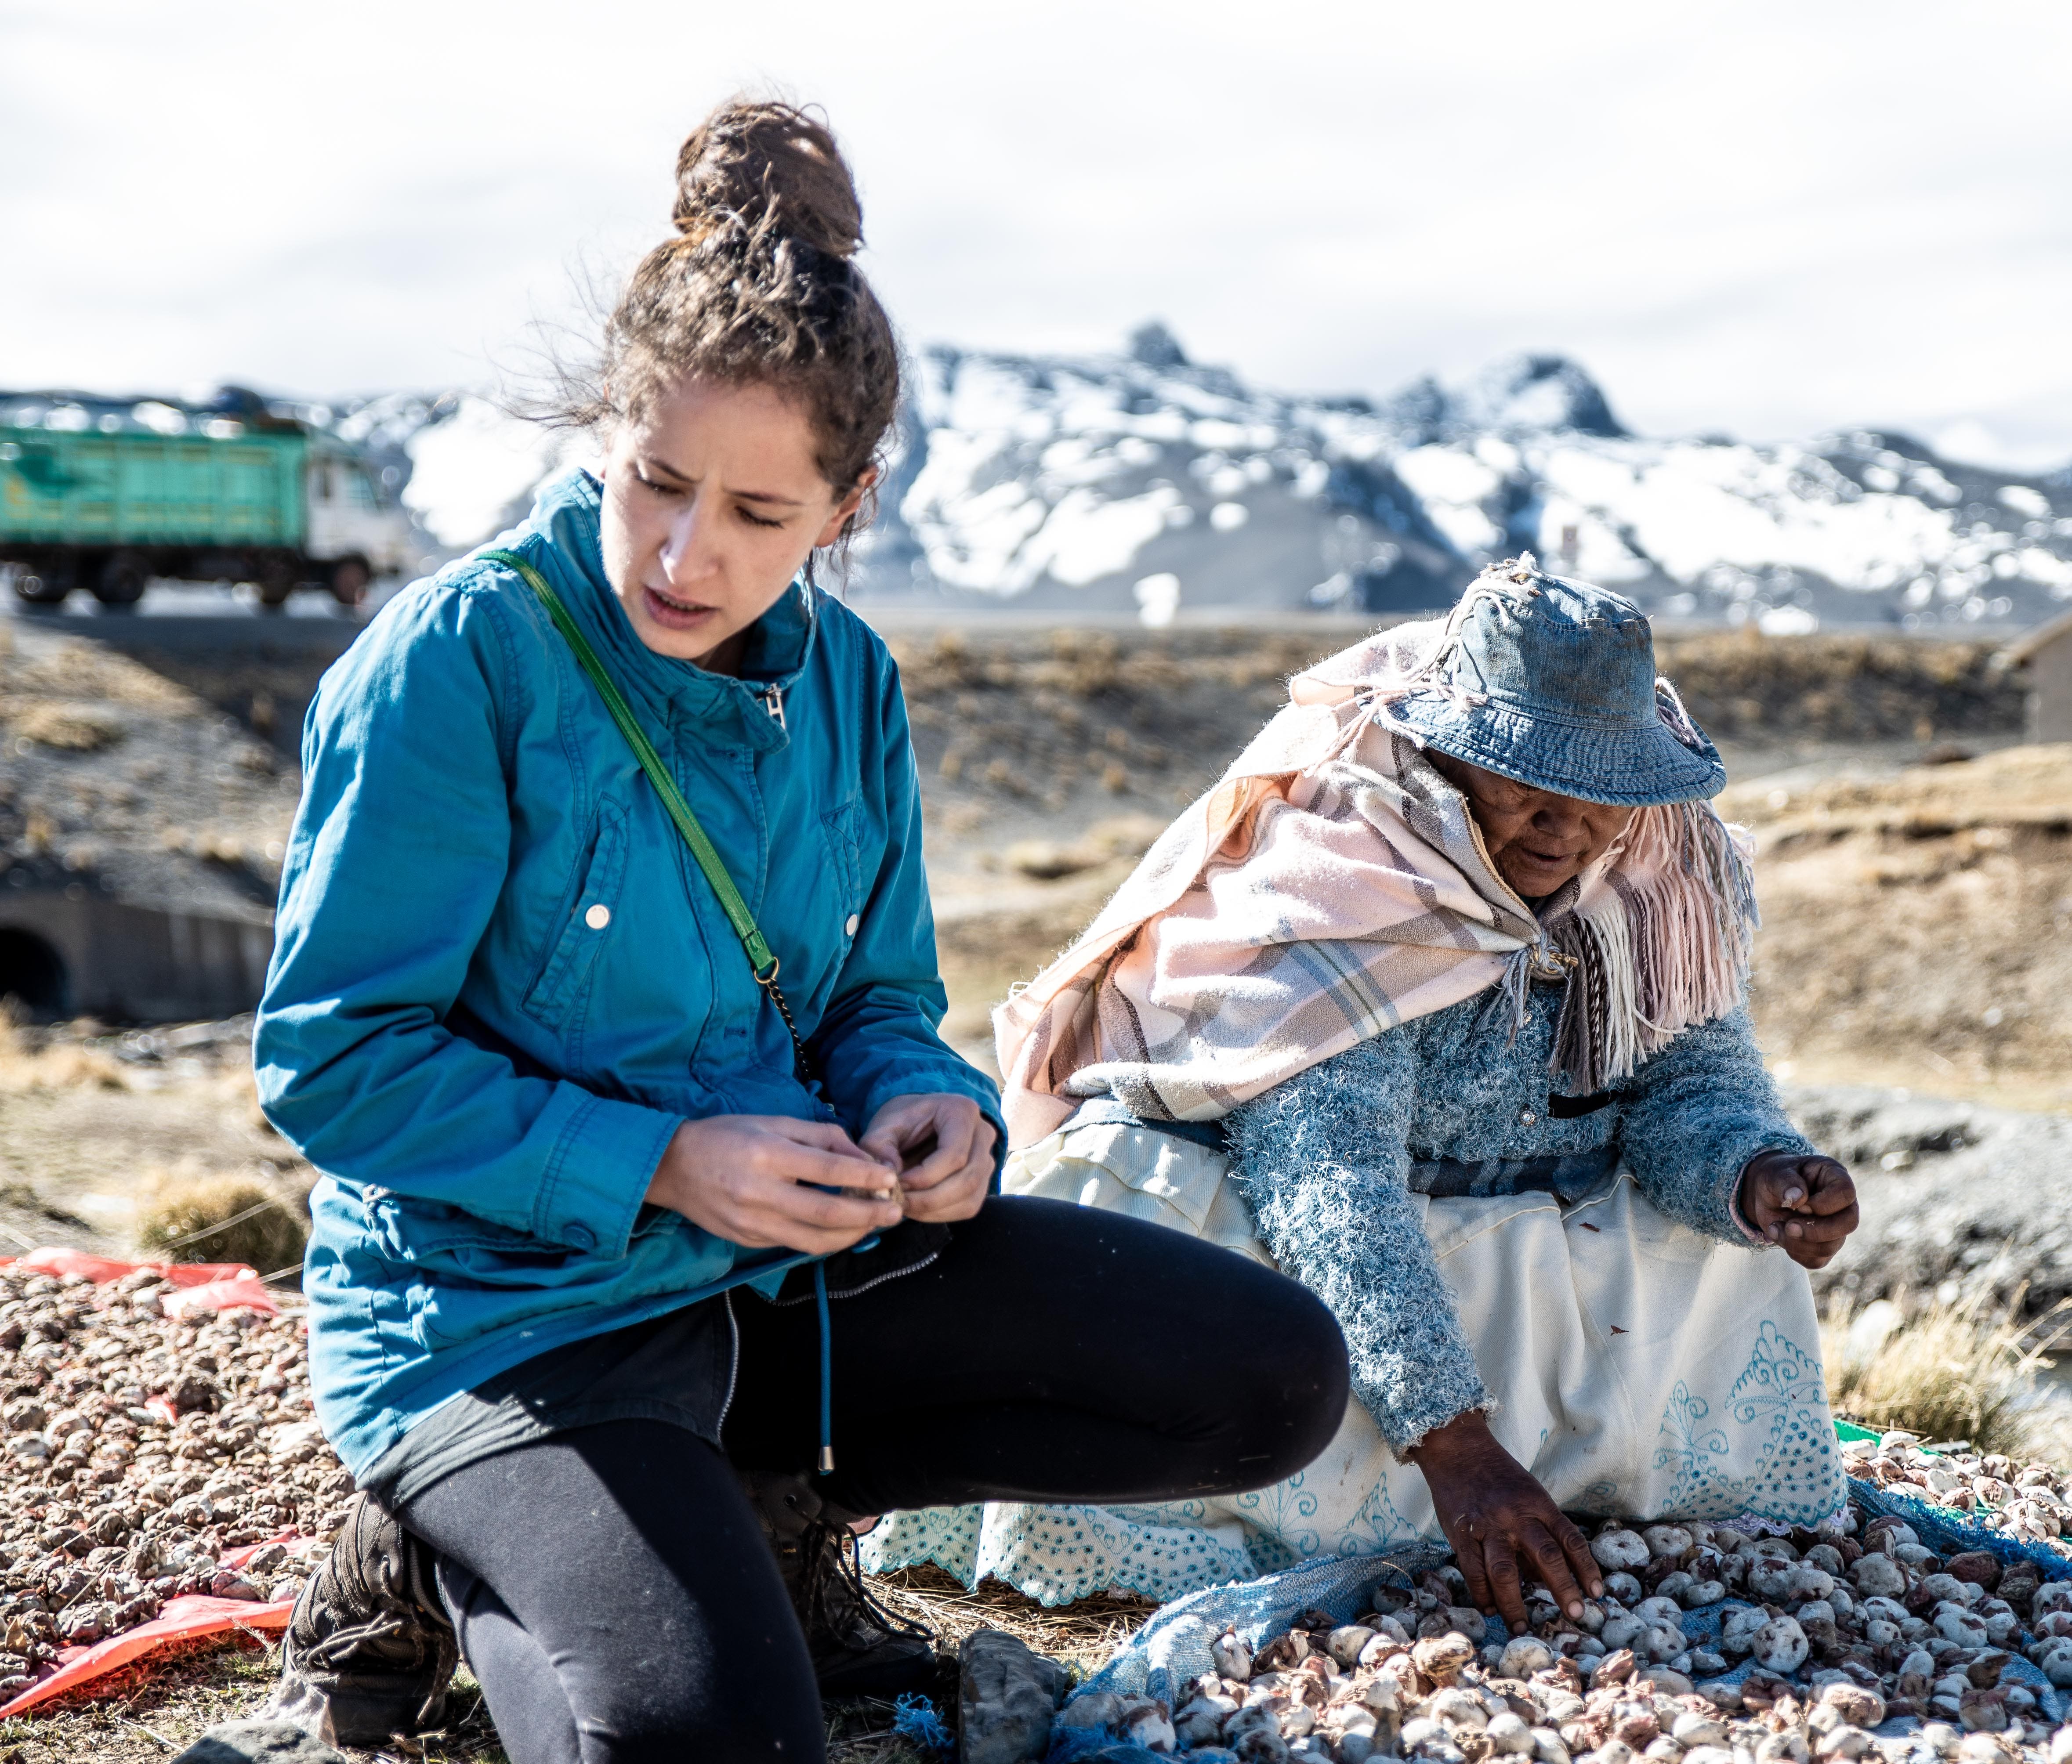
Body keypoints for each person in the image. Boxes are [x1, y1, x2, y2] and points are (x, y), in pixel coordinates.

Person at [250, 101, 1348, 1764]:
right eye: (656, 483)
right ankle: (441, 1539)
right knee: (710, 1745)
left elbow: (879, 994)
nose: (688, 556)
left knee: (1268, 1379)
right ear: (601, 433)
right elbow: (333, 1065)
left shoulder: (852, 684)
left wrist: (932, 1107)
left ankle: (743, 1505)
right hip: (511, 1316)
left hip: (781, 1280)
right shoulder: (455, 662)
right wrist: (666, 1158)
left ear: (847, 504)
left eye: (760, 516)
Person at [863, 557, 1861, 1632]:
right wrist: (1457, 1445)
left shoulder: (1656, 877)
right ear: (1448, 753)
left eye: (1601, 791)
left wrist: (1754, 1173)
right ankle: (1287, 1523)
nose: (1568, 824)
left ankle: (1613, 1491)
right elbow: (1331, 1192)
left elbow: (1688, 1082)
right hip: (1297, 1222)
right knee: (1204, 1245)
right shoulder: (1347, 878)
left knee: (1721, 1241)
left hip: (1495, 1228)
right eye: (1531, 780)